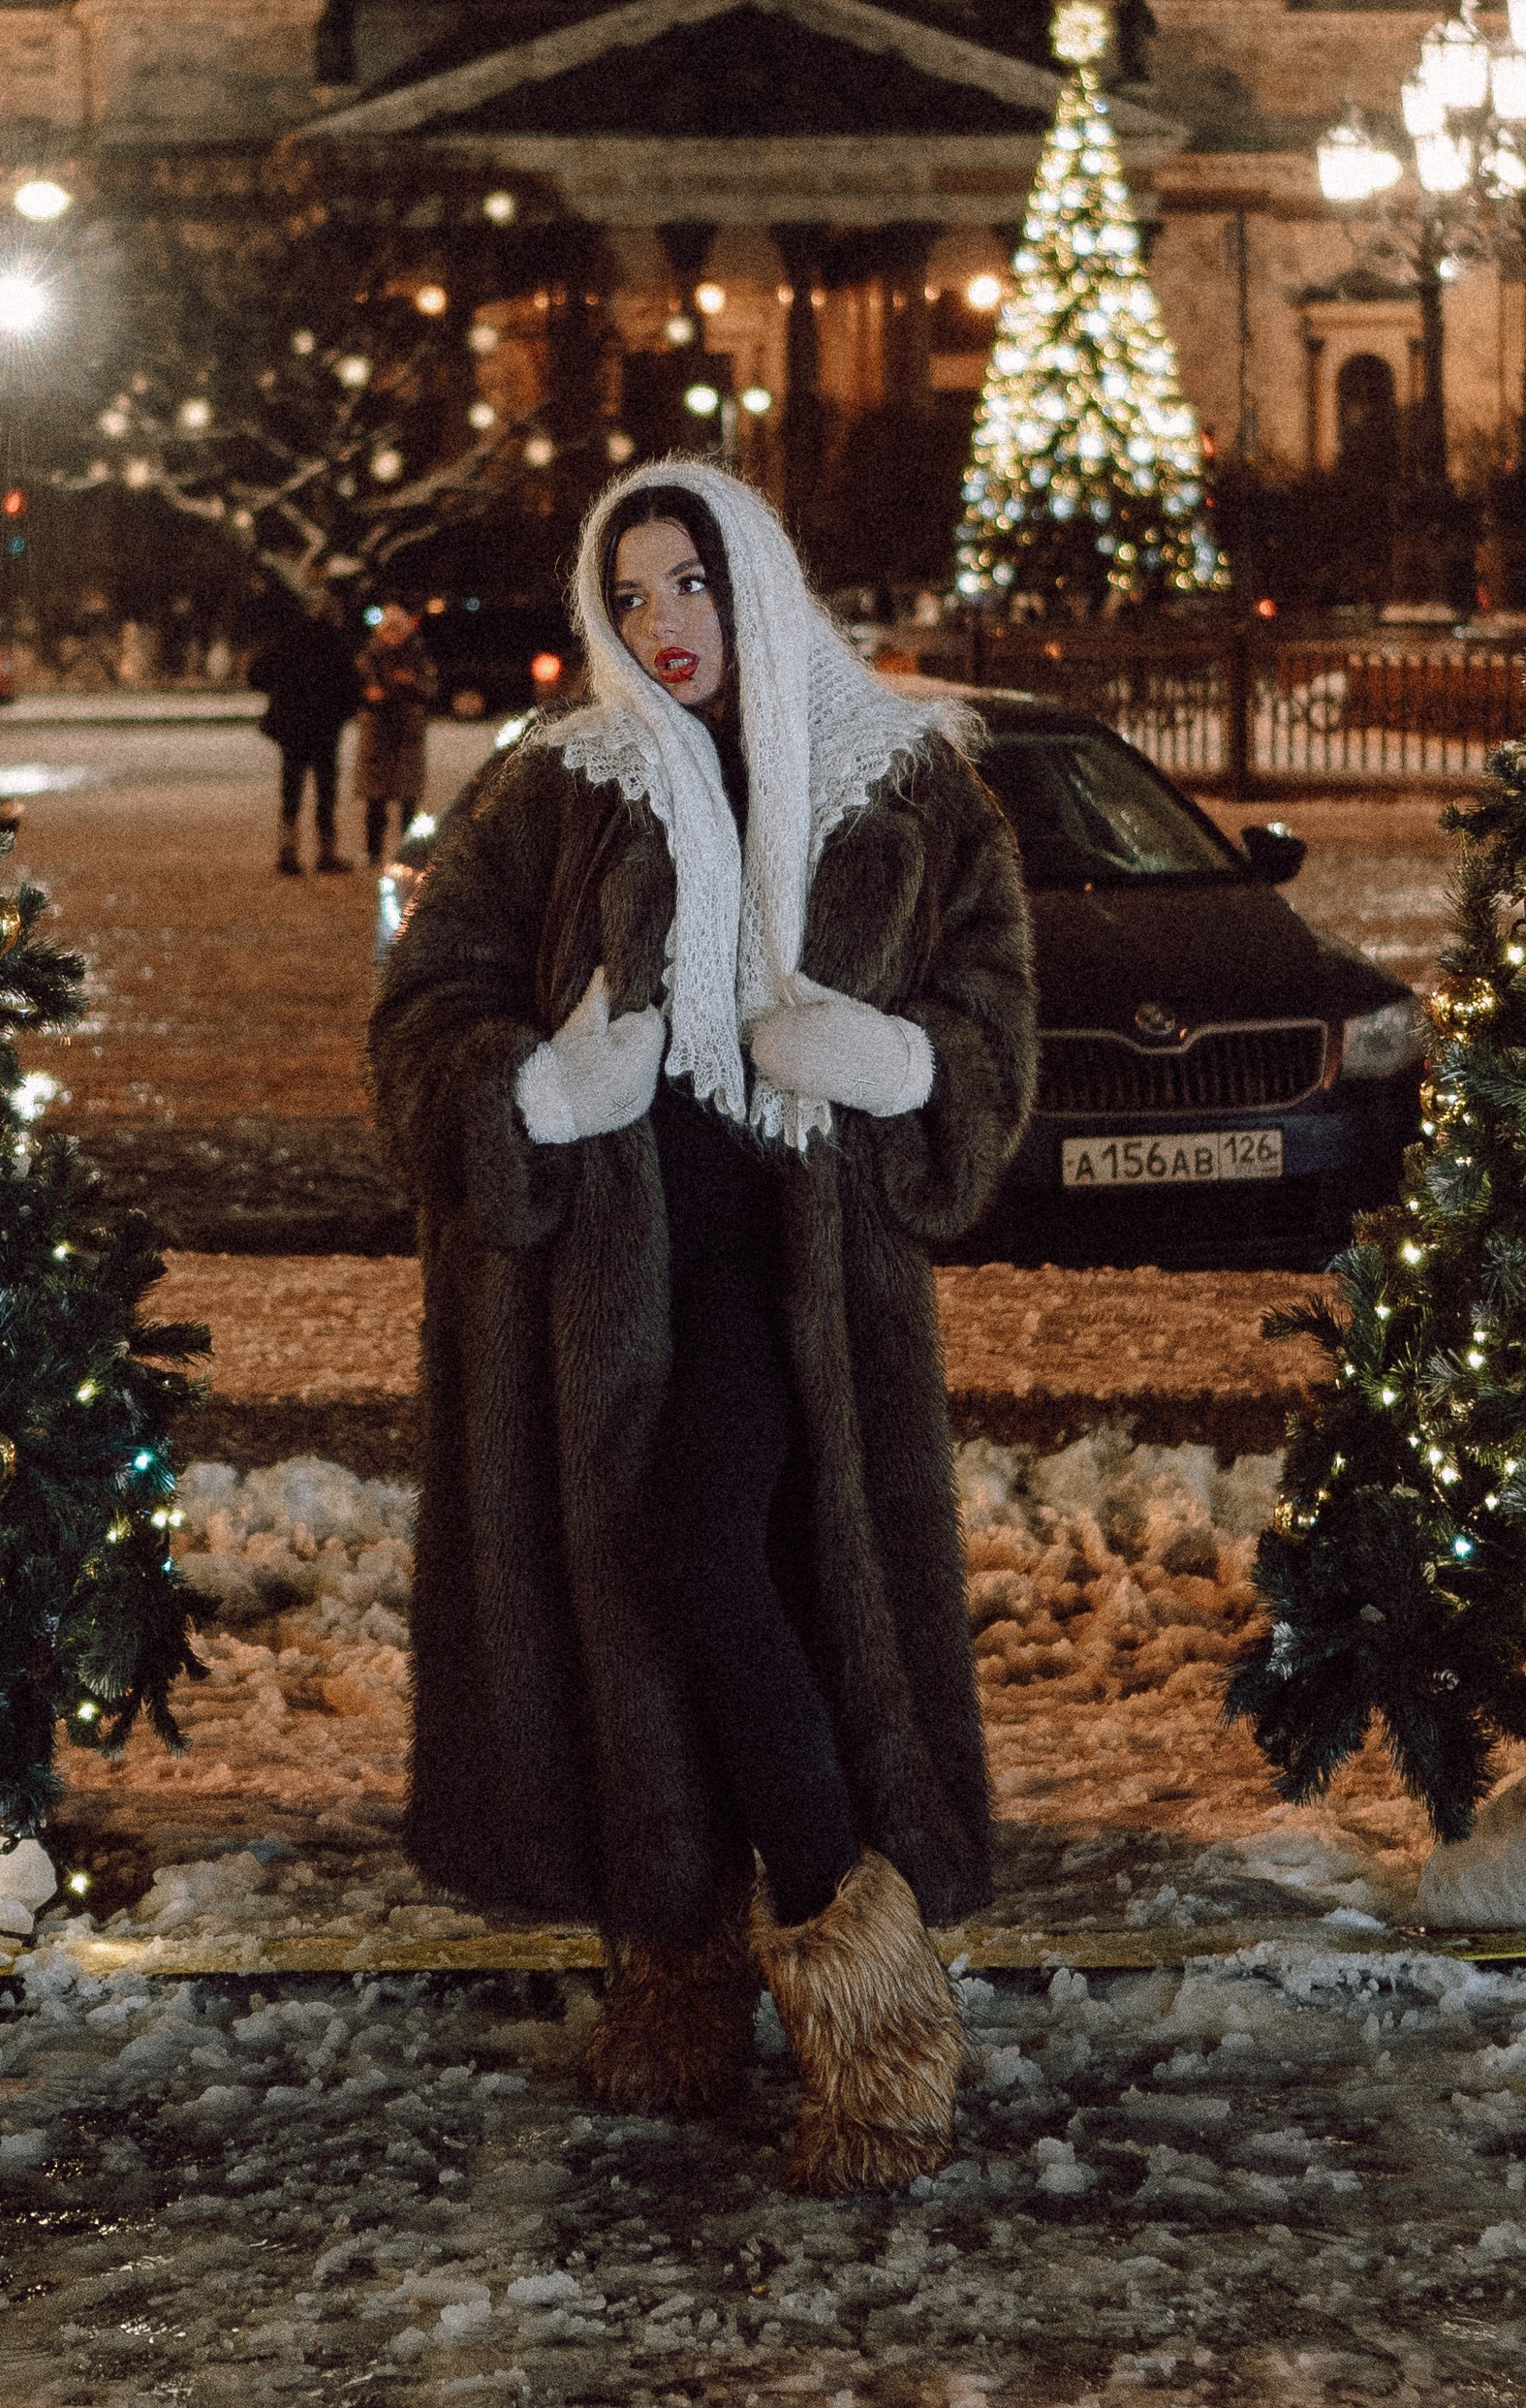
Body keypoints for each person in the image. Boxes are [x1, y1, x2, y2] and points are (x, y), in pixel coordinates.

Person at [369, 463, 1035, 2191]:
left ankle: (867, 1998)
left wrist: (897, 1064)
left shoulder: (911, 786)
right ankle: (677, 1966)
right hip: (609, 1283)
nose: (664, 626)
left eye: (692, 583)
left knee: (727, 1567)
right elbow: (421, 1013)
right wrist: (539, 1093)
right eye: (631, 596)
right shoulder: (555, 788)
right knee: (645, 1595)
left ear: (758, 577)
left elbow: (993, 1036)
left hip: (802, 1289)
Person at [249, 578, 357, 876]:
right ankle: (326, 854)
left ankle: (288, 853)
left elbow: (256, 673)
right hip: (325, 729)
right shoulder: (336, 644)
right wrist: (340, 712)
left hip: (292, 727)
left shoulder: (289, 640)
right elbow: (352, 688)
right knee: (325, 792)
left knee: (291, 791)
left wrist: (282, 692)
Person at [355, 598, 440, 868]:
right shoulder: (369, 656)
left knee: (407, 800)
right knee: (375, 801)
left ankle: (408, 853)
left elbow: (431, 688)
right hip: (377, 735)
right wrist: (368, 695)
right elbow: (355, 688)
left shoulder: (417, 655)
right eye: (388, 629)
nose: (393, 635)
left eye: (397, 629)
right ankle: (373, 852)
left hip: (407, 735)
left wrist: (412, 681)